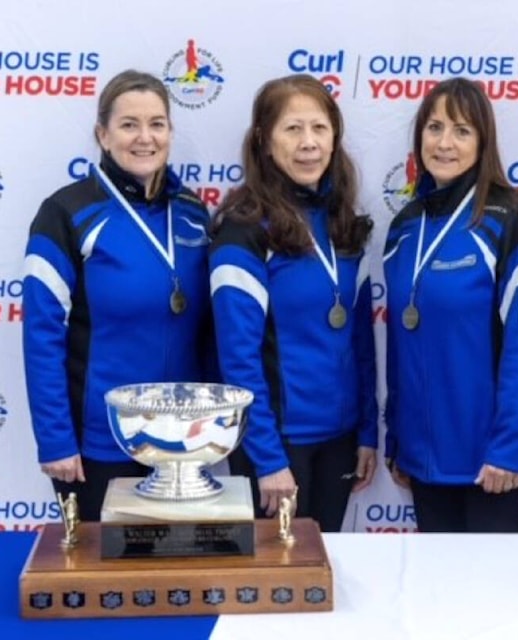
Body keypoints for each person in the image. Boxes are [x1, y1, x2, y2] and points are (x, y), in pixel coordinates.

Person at [22, 70, 214, 522]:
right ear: (102, 134)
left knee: (174, 579)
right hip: (98, 444)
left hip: (182, 441)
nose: (144, 137)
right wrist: (56, 441)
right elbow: (41, 337)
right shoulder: (66, 213)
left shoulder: (191, 212)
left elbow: (209, 330)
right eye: (129, 124)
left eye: (157, 124)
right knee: (105, 580)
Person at [382, 78, 518, 533]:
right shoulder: (403, 227)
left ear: (483, 141)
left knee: (487, 598)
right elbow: (400, 345)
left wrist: (509, 448)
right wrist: (396, 437)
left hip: (491, 460)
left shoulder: (511, 216)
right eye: (434, 127)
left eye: (461, 130)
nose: (444, 143)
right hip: (423, 456)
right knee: (436, 593)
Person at [209, 74, 378, 532]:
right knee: (277, 591)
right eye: (293, 129)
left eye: (320, 129)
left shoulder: (344, 224)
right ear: (264, 141)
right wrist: (266, 459)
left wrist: (367, 433)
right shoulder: (243, 231)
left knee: (325, 576)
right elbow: (238, 360)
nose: (309, 144)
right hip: (277, 448)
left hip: (340, 442)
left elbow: (361, 343)